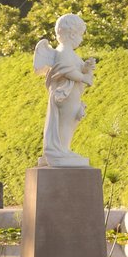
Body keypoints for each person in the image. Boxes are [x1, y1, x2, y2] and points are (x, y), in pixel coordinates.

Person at [32, 14, 95, 167]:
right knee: (65, 122)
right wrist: (83, 77)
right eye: (80, 35)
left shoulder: (69, 53)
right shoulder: (63, 52)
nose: (81, 39)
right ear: (72, 34)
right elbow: (65, 70)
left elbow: (74, 67)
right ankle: (60, 151)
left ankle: (63, 149)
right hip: (65, 94)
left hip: (71, 95)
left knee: (70, 121)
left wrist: (86, 68)